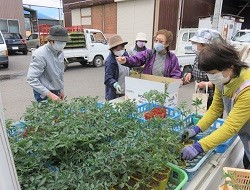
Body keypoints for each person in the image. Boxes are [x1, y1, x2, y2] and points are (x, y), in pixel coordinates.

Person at [180, 43, 250, 169]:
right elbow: (216, 109)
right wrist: (197, 129)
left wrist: (199, 146)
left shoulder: (247, 89)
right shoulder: (223, 80)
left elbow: (231, 127)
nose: (210, 77)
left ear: (229, 66)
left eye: (212, 73)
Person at [183, 28, 224, 109]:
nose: (194, 46)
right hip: (200, 93)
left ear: (207, 45)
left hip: (213, 97)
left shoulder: (216, 60)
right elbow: (196, 68)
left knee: (211, 117)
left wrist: (207, 84)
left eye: (196, 43)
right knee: (198, 114)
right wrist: (190, 73)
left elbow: (223, 80)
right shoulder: (199, 55)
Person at [27, 25, 70, 102]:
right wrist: (50, 94)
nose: (62, 44)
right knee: (47, 112)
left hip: (56, 89)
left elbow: (60, 74)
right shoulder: (40, 54)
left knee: (57, 113)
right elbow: (31, 79)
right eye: (60, 42)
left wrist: (61, 89)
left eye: (64, 42)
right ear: (51, 40)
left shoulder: (60, 52)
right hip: (43, 91)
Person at [116, 29, 181, 79]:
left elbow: (176, 74)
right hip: (148, 86)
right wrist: (126, 60)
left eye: (161, 41)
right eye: (156, 40)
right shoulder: (149, 53)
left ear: (167, 44)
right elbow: (136, 59)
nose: (157, 43)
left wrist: (173, 83)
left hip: (163, 89)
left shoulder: (172, 58)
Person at [104, 34, 130, 101]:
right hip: (115, 94)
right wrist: (114, 84)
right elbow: (108, 78)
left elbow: (130, 66)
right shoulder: (110, 61)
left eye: (122, 48)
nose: (121, 50)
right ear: (113, 50)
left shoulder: (125, 55)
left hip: (126, 91)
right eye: (119, 49)